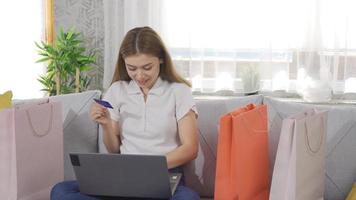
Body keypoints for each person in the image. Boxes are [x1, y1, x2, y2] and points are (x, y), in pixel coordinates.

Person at [50, 26, 200, 200]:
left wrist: (150, 168)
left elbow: (190, 149)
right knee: (60, 191)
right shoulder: (117, 90)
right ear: (124, 63)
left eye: (147, 67)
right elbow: (113, 149)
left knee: (188, 198)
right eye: (132, 68)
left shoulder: (179, 92)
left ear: (160, 59)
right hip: (124, 175)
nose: (140, 75)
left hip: (164, 175)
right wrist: (106, 125)